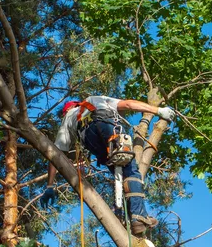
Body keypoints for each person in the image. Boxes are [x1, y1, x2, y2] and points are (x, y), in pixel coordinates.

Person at [41, 95, 175, 235]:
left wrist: (49, 185)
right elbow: (129, 104)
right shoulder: (93, 99)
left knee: (122, 174)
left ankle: (120, 213)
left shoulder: (67, 119)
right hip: (105, 124)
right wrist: (158, 110)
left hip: (90, 140)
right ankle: (138, 217)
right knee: (131, 171)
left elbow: (56, 154)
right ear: (76, 104)